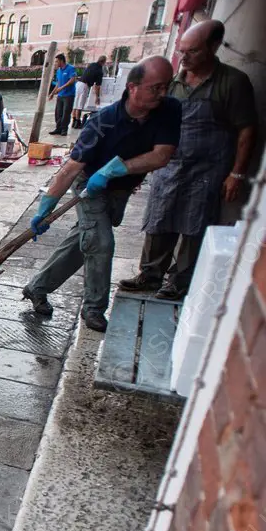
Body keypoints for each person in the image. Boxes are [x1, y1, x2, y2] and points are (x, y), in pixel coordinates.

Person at [22, 56, 181, 332]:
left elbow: (162, 155)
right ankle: (94, 309)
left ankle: (37, 287)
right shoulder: (101, 123)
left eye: (166, 86)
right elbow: (70, 169)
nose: (162, 93)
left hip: (119, 188)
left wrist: (117, 169)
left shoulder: (169, 109)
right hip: (88, 185)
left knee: (83, 242)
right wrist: (45, 208)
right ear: (132, 87)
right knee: (101, 243)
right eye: (155, 87)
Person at [118, 20, 258, 301]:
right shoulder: (173, 83)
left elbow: (247, 129)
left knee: (195, 223)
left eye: (192, 52)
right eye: (182, 52)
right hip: (169, 163)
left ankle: (178, 281)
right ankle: (150, 274)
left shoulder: (232, 82)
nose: (185, 58)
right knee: (159, 218)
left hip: (208, 167)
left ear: (213, 47)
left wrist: (237, 173)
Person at [72, 55, 107, 129]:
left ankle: (73, 121)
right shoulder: (99, 71)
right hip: (84, 85)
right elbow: (97, 86)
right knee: (80, 105)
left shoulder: (92, 64)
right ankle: (77, 122)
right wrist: (97, 97)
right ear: (104, 62)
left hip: (78, 84)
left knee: (76, 103)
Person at [48, 53, 77, 136]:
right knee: (58, 112)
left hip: (69, 95)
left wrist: (62, 88)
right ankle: (58, 128)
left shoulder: (71, 68)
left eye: (57, 61)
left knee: (66, 113)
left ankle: (64, 129)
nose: (56, 63)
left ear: (61, 61)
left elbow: (72, 80)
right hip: (60, 95)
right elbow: (58, 83)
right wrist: (52, 93)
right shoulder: (59, 71)